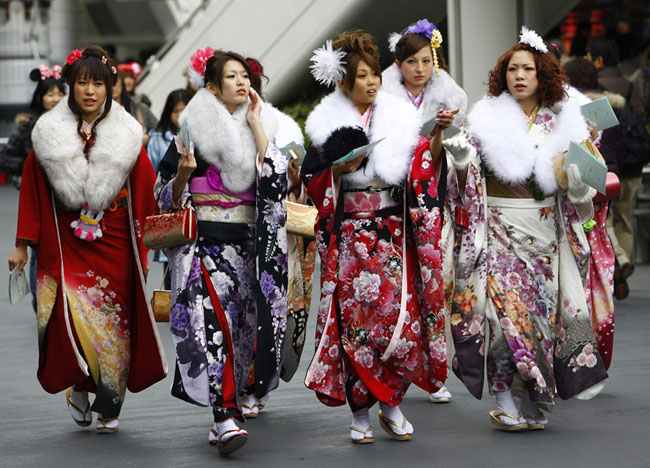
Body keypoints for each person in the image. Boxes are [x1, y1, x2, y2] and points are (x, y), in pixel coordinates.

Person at [446, 27, 608, 431]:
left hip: (544, 233)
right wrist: (457, 155)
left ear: (542, 75)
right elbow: (461, 176)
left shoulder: (562, 120)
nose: (519, 76)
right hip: (497, 226)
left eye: (528, 69)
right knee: (502, 320)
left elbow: (582, 187)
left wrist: (580, 162)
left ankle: (531, 395)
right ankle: (503, 395)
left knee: (538, 320)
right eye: (513, 69)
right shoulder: (484, 118)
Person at [7, 46, 167, 434]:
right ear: (71, 86)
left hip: (114, 242)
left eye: (99, 82)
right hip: (66, 242)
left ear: (111, 86)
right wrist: (23, 243)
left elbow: (145, 187)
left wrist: (157, 235)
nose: (90, 90)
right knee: (72, 320)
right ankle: (79, 385)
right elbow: (31, 186)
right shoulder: (48, 132)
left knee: (114, 323)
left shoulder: (128, 135)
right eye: (83, 82)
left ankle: (110, 401)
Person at [301, 31, 448, 444]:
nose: (370, 83)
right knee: (355, 328)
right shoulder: (324, 124)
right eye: (361, 76)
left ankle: (392, 402)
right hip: (349, 238)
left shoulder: (399, 119)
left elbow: (420, 173)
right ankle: (361, 410)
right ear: (343, 81)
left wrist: (421, 158)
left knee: (395, 321)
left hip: (391, 236)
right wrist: (336, 172)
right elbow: (311, 182)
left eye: (374, 76)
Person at [154, 47, 288, 455]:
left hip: (247, 248)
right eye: (232, 76)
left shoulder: (259, 124)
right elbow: (164, 198)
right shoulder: (191, 128)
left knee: (243, 333)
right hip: (205, 248)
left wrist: (257, 124)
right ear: (211, 86)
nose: (242, 81)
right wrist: (182, 176)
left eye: (245, 75)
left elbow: (276, 184)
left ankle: (225, 408)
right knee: (214, 331)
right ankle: (224, 416)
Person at [381, 18, 467, 404]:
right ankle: (394, 367)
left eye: (426, 61)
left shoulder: (448, 103)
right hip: (389, 204)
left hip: (430, 203)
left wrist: (440, 134)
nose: (419, 69)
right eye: (411, 61)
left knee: (434, 286)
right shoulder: (380, 99)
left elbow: (447, 162)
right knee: (392, 289)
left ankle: (435, 372)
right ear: (398, 65)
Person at [242, 57, 313, 415]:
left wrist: (297, 179)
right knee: (239, 307)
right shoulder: (215, 127)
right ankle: (240, 384)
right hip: (234, 225)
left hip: (274, 227)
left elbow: (293, 183)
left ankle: (260, 382)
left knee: (271, 306)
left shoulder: (283, 126)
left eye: (248, 79)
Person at [563, 57, 623, 369]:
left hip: (583, 207)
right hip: (594, 211)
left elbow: (609, 159)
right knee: (593, 285)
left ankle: (584, 356)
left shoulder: (579, 112)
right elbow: (615, 157)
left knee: (582, 287)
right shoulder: (603, 110)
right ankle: (585, 355)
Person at [0, 65, 66, 312]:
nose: (55, 98)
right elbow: (4, 158)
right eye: (50, 94)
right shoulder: (28, 126)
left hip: (66, 201)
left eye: (60, 93)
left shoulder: (73, 123)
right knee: (39, 248)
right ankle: (42, 302)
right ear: (40, 97)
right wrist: (31, 165)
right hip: (39, 200)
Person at [587, 38, 647, 288]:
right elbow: (642, 113)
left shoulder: (594, 93)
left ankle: (616, 263)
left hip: (610, 167)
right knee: (625, 217)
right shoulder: (631, 85)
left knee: (606, 220)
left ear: (598, 61)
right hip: (633, 164)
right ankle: (626, 259)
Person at [146, 88, 191, 289]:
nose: (180, 116)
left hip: (192, 217)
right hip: (169, 207)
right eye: (176, 111)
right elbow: (157, 175)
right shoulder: (156, 138)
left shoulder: (197, 135)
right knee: (172, 276)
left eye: (185, 110)